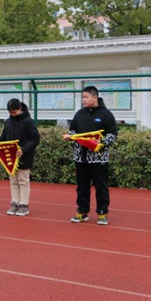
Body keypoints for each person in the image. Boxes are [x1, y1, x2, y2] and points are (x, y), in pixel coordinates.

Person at [63, 86, 117, 225]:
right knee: (82, 186)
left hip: (99, 158)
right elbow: (73, 130)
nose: (84, 100)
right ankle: (82, 211)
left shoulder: (106, 114)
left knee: (101, 186)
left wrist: (102, 142)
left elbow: (113, 134)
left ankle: (102, 213)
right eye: (82, 97)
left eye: (86, 97)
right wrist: (71, 137)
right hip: (81, 157)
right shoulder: (79, 114)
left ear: (95, 97)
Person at [0, 99, 40, 217]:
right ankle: (14, 203)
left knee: (23, 180)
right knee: (13, 180)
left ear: (20, 109)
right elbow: (4, 137)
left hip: (24, 156)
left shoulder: (29, 122)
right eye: (10, 112)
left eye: (14, 112)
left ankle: (23, 205)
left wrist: (23, 150)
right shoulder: (8, 122)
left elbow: (35, 139)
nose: (12, 114)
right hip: (10, 158)